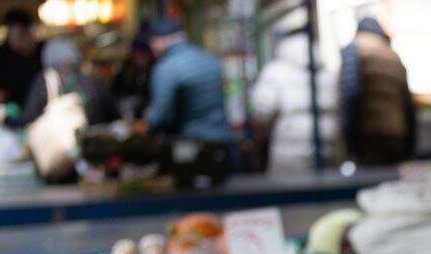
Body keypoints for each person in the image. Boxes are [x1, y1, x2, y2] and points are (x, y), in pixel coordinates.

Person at [251, 30, 339, 173]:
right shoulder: (327, 73)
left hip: (288, 154)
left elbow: (261, 112)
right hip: (327, 148)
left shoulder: (275, 71)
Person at [142, 18, 234, 143]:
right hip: (222, 140)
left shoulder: (166, 67)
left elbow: (158, 116)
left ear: (159, 41)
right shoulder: (208, 58)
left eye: (152, 42)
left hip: (191, 145)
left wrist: (148, 119)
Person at [339, 17, 415, 166]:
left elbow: (351, 93)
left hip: (368, 137)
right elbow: (408, 106)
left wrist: (349, 139)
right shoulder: (393, 55)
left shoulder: (354, 49)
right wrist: (410, 146)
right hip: (397, 136)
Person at [7, 37, 115, 129]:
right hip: (91, 143)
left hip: (59, 148)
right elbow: (112, 111)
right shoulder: (89, 80)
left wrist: (7, 121)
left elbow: (28, 117)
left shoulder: (45, 81)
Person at [0, 8, 41, 109]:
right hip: (9, 112)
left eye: (24, 34)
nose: (22, 40)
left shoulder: (40, 53)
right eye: (18, 35)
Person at [112, 38, 155, 120]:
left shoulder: (154, 70)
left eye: (143, 56)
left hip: (147, 110)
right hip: (127, 110)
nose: (140, 58)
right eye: (137, 55)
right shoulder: (125, 70)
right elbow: (115, 91)